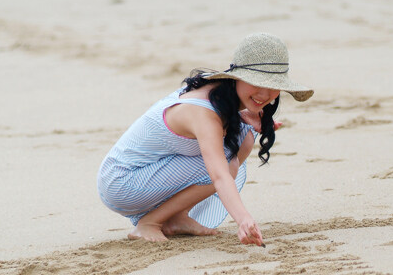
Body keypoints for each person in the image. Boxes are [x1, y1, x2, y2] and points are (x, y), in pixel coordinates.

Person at [97, 33, 313, 246]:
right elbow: (219, 175)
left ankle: (175, 217)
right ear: (237, 78)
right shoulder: (204, 113)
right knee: (227, 163)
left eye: (273, 86)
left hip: (142, 175)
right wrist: (243, 219)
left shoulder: (220, 95)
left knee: (242, 139)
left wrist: (243, 118)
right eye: (257, 83)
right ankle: (149, 223)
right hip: (122, 183)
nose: (265, 95)